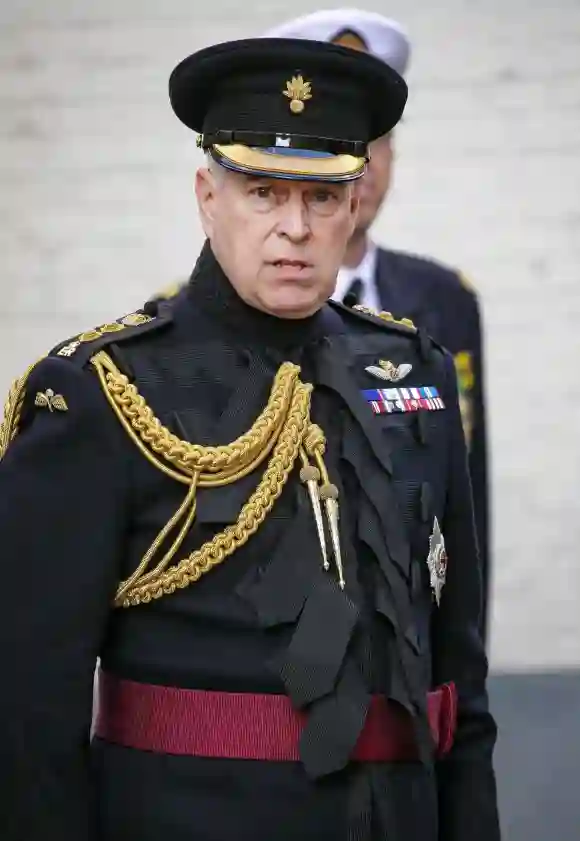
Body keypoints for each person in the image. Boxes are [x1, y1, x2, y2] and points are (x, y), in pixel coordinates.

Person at [0, 35, 499, 841]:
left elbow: (460, 692)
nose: (294, 228)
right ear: (208, 196)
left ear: (353, 205)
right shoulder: (102, 393)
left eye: (322, 198)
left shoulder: (414, 375)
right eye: (264, 193)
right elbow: (26, 716)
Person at [264, 8, 492, 644]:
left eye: (374, 139)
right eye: (335, 142)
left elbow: (467, 503)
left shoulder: (444, 300)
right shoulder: (209, 316)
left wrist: (463, 659)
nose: (359, 164)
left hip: (409, 653)